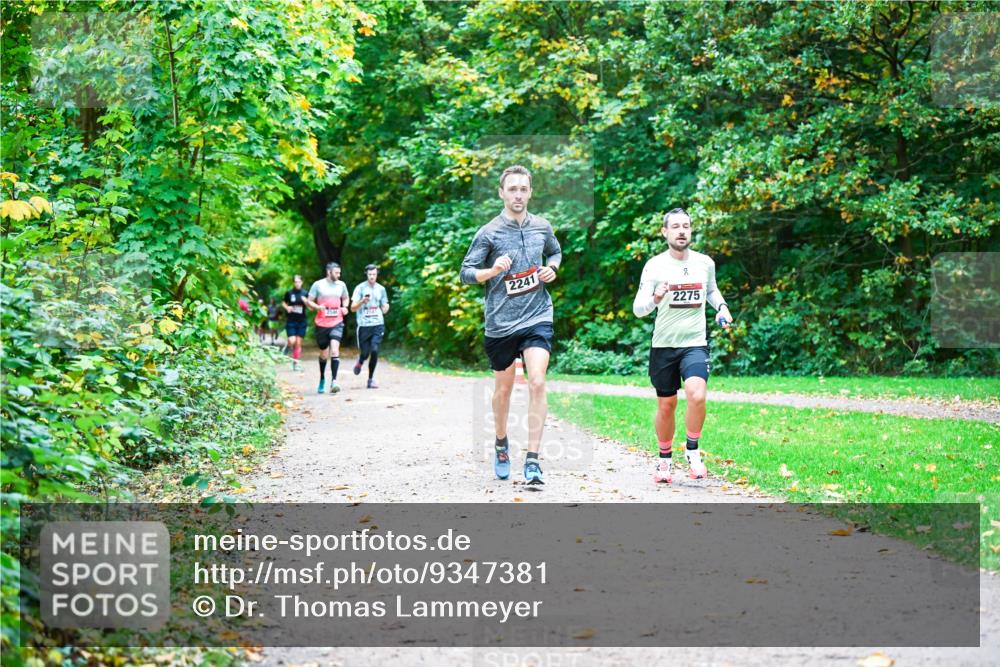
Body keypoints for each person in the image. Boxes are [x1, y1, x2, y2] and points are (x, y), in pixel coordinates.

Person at [460, 165, 562, 487]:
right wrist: (491, 272)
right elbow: (466, 272)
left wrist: (552, 269)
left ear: (530, 192)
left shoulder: (542, 227)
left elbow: (555, 252)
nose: (518, 194)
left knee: (537, 382)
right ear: (501, 193)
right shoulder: (488, 232)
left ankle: (532, 460)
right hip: (501, 323)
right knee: (503, 390)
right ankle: (501, 443)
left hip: (537, 316)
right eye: (512, 189)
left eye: (523, 189)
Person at [632, 207, 732, 484]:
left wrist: (721, 307)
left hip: (694, 343)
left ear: (691, 230)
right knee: (667, 405)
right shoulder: (654, 265)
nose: (681, 231)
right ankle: (664, 460)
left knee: (697, 395)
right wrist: (655, 297)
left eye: (686, 226)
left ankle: (693, 450)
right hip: (664, 346)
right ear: (665, 232)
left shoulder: (704, 263)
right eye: (675, 227)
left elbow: (711, 290)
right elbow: (638, 309)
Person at [304, 262, 350, 394]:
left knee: (335, 351)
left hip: (337, 322)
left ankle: (334, 381)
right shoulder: (318, 285)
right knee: (324, 354)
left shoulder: (341, 285)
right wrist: (317, 307)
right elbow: (309, 301)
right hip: (322, 324)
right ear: (329, 272)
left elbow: (346, 298)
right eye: (336, 273)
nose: (339, 275)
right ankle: (322, 378)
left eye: (339, 273)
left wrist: (345, 307)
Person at [351, 264, 390, 389]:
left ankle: (370, 379)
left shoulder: (381, 289)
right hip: (364, 325)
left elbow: (385, 305)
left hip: (377, 324)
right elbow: (352, 308)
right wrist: (362, 301)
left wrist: (385, 308)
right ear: (366, 274)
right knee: (365, 352)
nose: (372, 277)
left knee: (374, 350)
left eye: (374, 274)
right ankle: (361, 361)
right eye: (370, 274)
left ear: (377, 274)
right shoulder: (360, 288)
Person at [282, 274, 308, 371]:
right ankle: (287, 347)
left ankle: (295, 363)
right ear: (293, 283)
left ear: (302, 282)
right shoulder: (289, 293)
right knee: (292, 341)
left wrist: (306, 302)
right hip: (291, 320)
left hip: (302, 321)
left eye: (299, 281)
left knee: (298, 343)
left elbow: (310, 304)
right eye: (295, 282)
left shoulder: (305, 293)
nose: (297, 283)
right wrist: (287, 307)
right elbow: (284, 302)